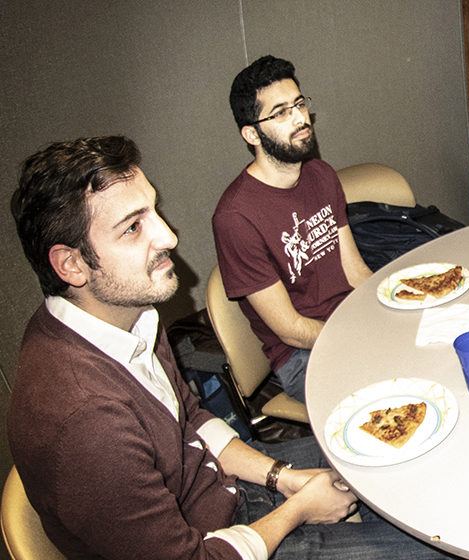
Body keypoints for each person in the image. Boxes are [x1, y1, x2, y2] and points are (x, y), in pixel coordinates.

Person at [8, 136, 445, 559]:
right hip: (214, 542)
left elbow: (191, 420)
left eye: (154, 211)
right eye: (133, 227)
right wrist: (298, 510)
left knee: (425, 456)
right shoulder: (85, 421)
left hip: (227, 487)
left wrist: (282, 478)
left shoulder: (129, 318)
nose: (168, 237)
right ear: (72, 264)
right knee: (440, 547)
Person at [213, 55, 372, 403]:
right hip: (302, 356)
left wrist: (390, 306)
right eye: (281, 112)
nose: (300, 118)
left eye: (299, 104)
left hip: (351, 321)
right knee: (396, 377)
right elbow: (290, 330)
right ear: (251, 134)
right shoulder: (235, 217)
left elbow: (355, 271)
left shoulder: (321, 174)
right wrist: (360, 336)